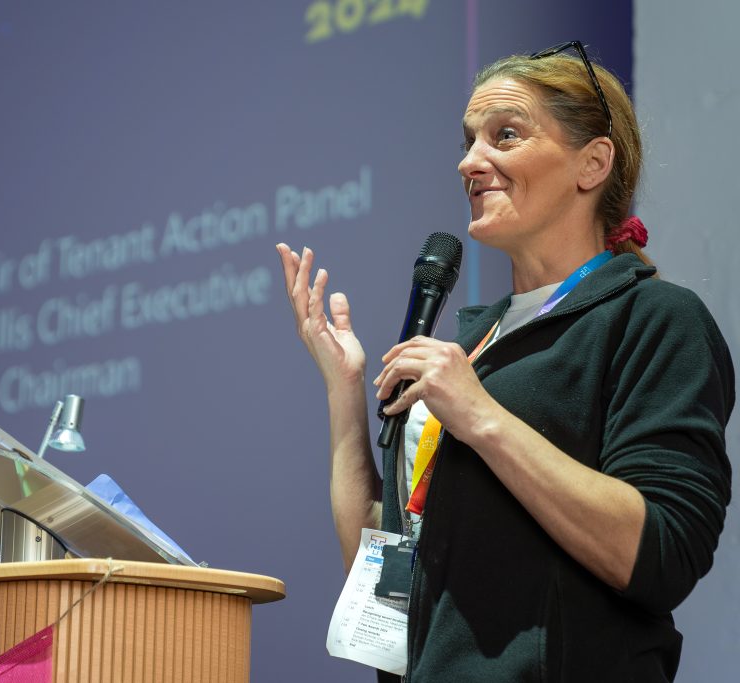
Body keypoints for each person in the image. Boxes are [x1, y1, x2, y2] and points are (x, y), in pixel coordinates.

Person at [276, 43, 733, 682]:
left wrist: (481, 417)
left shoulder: (653, 318)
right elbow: (382, 568)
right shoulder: (477, 346)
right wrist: (345, 390)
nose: (469, 161)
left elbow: (660, 552)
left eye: (506, 135)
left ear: (593, 163)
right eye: (468, 140)